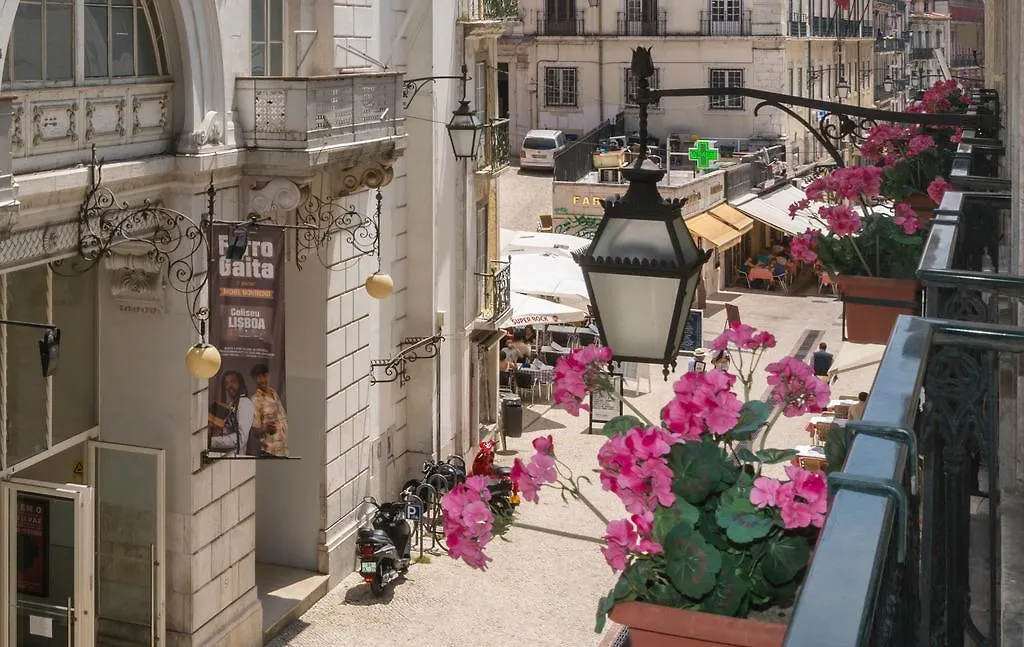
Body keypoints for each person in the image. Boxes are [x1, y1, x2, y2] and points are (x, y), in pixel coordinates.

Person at [209, 371, 255, 455]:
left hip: (235, 458)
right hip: (222, 455)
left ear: (240, 383)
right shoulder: (231, 405)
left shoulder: (245, 403)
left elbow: (241, 439)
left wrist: (212, 441)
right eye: (226, 383)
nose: (230, 386)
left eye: (233, 382)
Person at [250, 364, 290, 457]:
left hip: (285, 449)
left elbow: (283, 418)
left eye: (263, 376)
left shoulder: (274, 393)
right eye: (257, 378)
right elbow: (255, 432)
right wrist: (265, 428)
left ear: (268, 375)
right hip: (271, 452)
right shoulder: (255, 400)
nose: (260, 380)